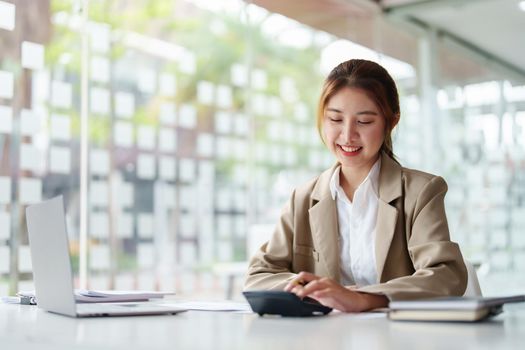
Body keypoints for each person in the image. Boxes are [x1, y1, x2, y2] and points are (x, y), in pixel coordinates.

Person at [244, 59, 467, 313]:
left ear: (391, 122)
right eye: (335, 119)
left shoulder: (421, 191)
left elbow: (447, 275)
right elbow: (258, 276)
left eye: (364, 122)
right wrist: (313, 290)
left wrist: (365, 298)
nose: (347, 135)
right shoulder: (303, 198)